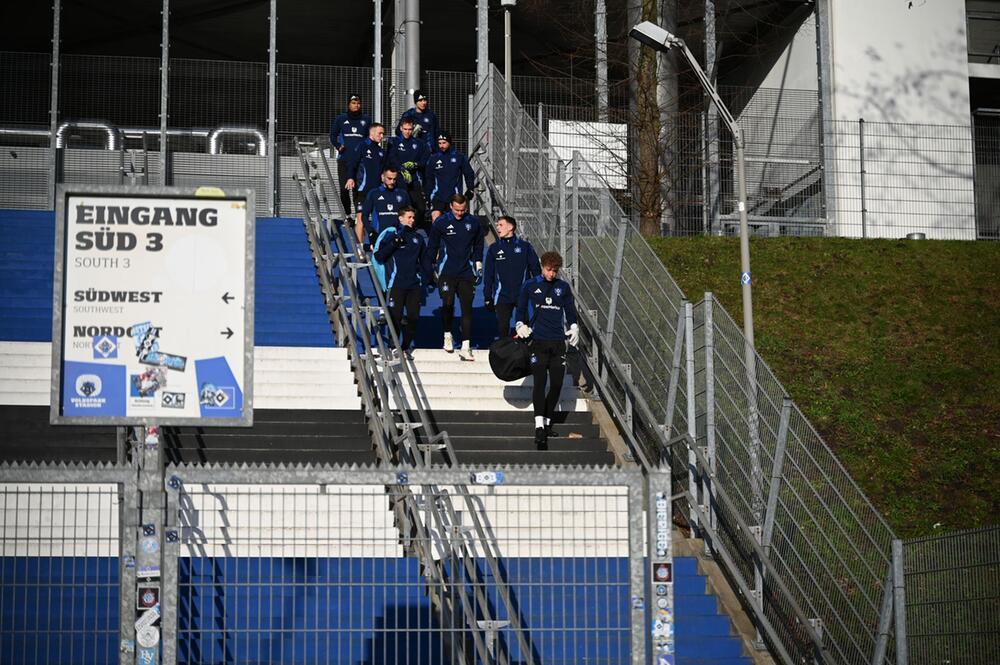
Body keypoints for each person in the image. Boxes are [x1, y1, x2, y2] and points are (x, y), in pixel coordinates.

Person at [514, 251, 579, 450]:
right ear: (542, 267)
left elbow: (570, 310)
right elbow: (521, 308)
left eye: (555, 271)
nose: (551, 274)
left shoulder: (563, 287)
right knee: (540, 383)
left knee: (557, 384)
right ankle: (539, 425)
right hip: (539, 342)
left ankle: (548, 420)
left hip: (558, 342)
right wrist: (519, 324)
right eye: (549, 270)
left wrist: (574, 326)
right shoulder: (530, 285)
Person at [427, 194, 484, 361]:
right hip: (447, 272)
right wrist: (430, 267)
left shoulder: (473, 222)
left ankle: (466, 346)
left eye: (463, 210)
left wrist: (478, 263)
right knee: (448, 303)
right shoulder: (441, 222)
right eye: (457, 210)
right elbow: (433, 245)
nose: (460, 213)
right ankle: (447, 335)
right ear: (451, 206)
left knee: (467, 308)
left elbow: (479, 244)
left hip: (466, 272)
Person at [373, 206, 430, 357]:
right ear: (401, 218)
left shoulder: (418, 238)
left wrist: (430, 278)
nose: (412, 220)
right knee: (395, 316)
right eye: (409, 217)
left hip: (413, 285)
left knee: (413, 317)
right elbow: (379, 256)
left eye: (413, 217)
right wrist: (394, 244)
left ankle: (405, 347)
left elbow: (424, 261)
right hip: (396, 283)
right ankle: (393, 346)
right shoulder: (392, 234)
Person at [483, 215, 540, 339]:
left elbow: (535, 269)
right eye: (497, 225)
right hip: (501, 295)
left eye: (501, 225)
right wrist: (487, 295)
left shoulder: (525, 246)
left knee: (523, 329)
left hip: (522, 294)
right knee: (503, 328)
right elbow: (489, 274)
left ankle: (523, 354)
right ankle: (505, 354)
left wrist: (538, 289)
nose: (497, 228)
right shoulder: (494, 248)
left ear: (511, 227)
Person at [330, 94, 371, 219]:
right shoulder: (341, 119)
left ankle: (359, 216)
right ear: (348, 104)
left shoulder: (366, 120)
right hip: (344, 159)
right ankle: (348, 214)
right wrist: (338, 145)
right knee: (344, 189)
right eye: (353, 103)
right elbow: (332, 135)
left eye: (358, 103)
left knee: (357, 190)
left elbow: (370, 137)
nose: (356, 105)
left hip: (360, 162)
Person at [344, 123, 385, 245]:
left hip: (377, 191)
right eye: (380, 133)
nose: (382, 136)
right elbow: (352, 164)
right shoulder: (362, 146)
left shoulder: (381, 151)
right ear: (371, 133)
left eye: (383, 133)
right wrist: (350, 178)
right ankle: (359, 248)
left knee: (377, 219)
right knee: (361, 218)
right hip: (362, 190)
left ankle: (376, 246)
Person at [386, 117, 429, 229]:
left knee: (421, 208)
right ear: (401, 128)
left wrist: (415, 165)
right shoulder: (394, 142)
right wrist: (402, 169)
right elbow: (391, 159)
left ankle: (412, 227)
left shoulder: (419, 144)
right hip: (399, 180)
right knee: (402, 207)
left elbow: (425, 160)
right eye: (405, 129)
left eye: (410, 129)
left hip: (414, 180)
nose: (407, 132)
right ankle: (399, 229)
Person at [424, 132, 476, 222]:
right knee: (435, 218)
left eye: (444, 143)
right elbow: (429, 178)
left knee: (453, 221)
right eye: (439, 143)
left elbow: (468, 173)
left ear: (449, 142)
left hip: (454, 195)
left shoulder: (459, 157)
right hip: (438, 195)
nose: (441, 145)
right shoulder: (434, 158)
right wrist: (428, 195)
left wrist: (470, 188)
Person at [361, 166, 410, 247]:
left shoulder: (403, 194)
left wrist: (405, 231)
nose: (392, 181)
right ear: (382, 177)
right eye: (389, 178)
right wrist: (371, 232)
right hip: (379, 236)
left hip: (398, 236)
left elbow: (409, 214)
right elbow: (364, 215)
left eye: (394, 179)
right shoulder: (374, 193)